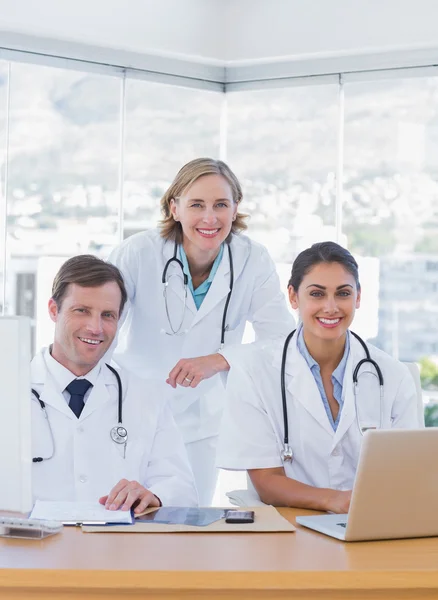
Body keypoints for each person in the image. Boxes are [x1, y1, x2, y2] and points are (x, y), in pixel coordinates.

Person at [109, 158, 295, 505]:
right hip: (134, 410)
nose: (210, 218)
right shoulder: (138, 253)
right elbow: (103, 325)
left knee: (187, 522)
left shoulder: (252, 260)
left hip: (202, 419)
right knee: (126, 518)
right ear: (174, 207)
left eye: (221, 205)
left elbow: (282, 340)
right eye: (197, 205)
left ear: (235, 208)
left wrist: (219, 359)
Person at [217, 242, 421, 513]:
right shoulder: (253, 371)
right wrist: (334, 500)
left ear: (358, 297)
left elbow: (408, 470)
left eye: (343, 293)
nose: (331, 307)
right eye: (316, 294)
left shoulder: (393, 375)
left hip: (370, 523)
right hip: (289, 528)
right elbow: (266, 480)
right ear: (293, 297)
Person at [31, 255, 197, 513]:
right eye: (82, 311)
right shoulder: (10, 390)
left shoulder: (145, 395)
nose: (95, 328)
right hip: (31, 548)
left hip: (120, 548)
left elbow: (183, 489)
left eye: (107, 315)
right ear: (54, 310)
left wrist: (153, 495)